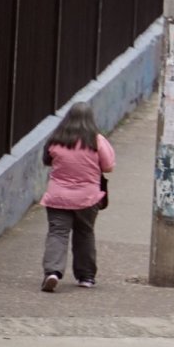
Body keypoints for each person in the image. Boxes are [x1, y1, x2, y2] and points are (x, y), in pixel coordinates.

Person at [39, 102, 115, 292]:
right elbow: (108, 166)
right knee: (85, 233)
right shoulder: (96, 141)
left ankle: (53, 272)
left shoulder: (57, 139)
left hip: (58, 197)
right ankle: (86, 277)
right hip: (87, 198)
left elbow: (47, 160)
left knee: (57, 233)